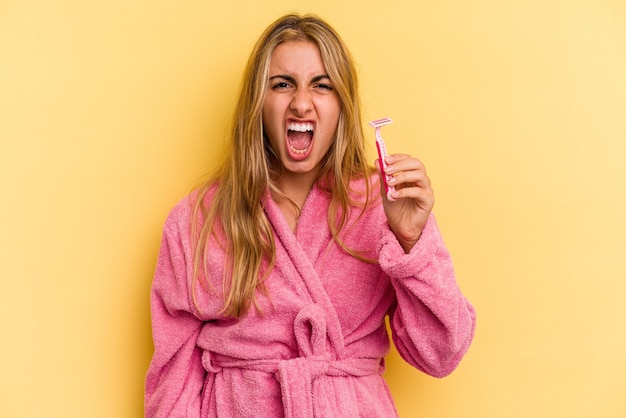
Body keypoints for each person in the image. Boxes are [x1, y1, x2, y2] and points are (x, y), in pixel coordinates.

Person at [145, 13, 476, 417]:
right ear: (258, 103)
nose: (301, 102)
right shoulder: (198, 221)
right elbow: (173, 383)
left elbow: (441, 354)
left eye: (322, 86)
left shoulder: (383, 205)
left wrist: (412, 241)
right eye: (282, 85)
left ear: (341, 105)